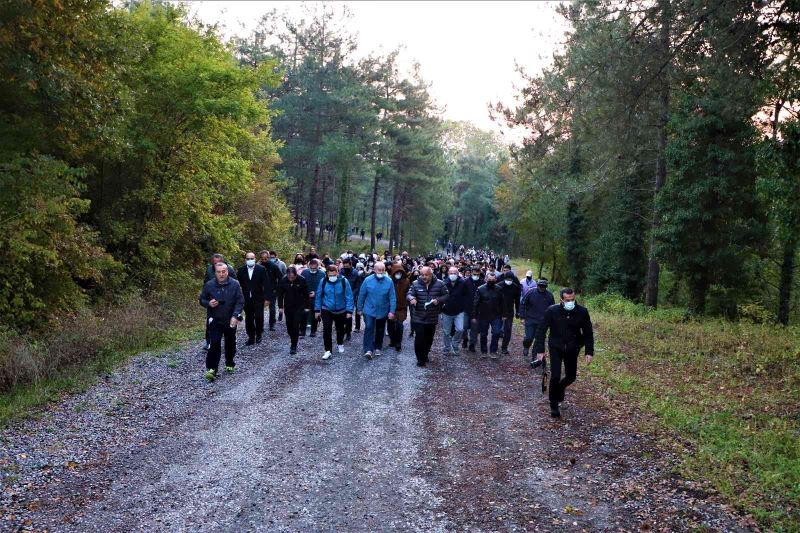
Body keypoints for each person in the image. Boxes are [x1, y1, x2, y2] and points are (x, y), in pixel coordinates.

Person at [534, 288, 594, 418]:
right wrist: (540, 350)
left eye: (572, 300)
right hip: (556, 346)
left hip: (573, 347)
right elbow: (541, 330)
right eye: (567, 300)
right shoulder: (552, 311)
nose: (570, 302)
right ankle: (553, 404)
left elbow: (588, 333)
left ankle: (560, 388)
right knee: (555, 375)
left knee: (571, 376)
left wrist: (589, 351)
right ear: (561, 300)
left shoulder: (582, 312)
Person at [199, 262, 244, 381]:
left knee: (230, 343)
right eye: (219, 272)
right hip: (215, 319)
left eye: (223, 271)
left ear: (227, 272)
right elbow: (202, 299)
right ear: (215, 273)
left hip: (230, 319)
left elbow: (240, 302)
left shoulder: (235, 284)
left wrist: (235, 316)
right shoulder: (209, 285)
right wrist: (208, 303)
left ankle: (229, 363)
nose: (221, 274)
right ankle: (211, 369)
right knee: (214, 344)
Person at [407, 267, 449, 367]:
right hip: (418, 316)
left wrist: (438, 300)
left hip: (432, 316)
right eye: (422, 275)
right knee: (419, 338)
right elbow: (409, 294)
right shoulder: (415, 283)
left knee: (429, 338)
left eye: (426, 275)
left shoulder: (440, 283)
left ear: (431, 274)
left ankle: (425, 354)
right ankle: (420, 359)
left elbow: (446, 295)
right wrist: (412, 298)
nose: (424, 277)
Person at [314, 263, 354, 360]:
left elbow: (349, 296)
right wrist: (317, 310)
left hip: (341, 310)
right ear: (327, 274)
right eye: (330, 275)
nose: (332, 277)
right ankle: (328, 350)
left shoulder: (344, 281)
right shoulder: (323, 281)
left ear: (337, 273)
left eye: (334, 275)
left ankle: (340, 343)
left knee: (340, 328)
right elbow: (319, 295)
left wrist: (349, 311)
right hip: (327, 309)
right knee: (327, 329)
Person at [357, 262, 396, 360]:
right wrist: (359, 308)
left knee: (380, 329)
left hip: (383, 310)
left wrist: (392, 311)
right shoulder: (367, 280)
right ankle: (368, 349)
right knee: (369, 327)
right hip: (369, 309)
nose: (381, 272)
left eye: (383, 270)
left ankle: (378, 346)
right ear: (374, 270)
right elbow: (362, 295)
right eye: (379, 270)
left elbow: (392, 297)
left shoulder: (389, 281)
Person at [203, 254, 237, 350]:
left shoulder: (229, 269)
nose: (216, 265)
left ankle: (229, 342)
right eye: (214, 263)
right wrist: (206, 296)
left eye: (218, 263)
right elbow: (205, 282)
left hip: (226, 299)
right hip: (213, 299)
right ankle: (209, 342)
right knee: (210, 321)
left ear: (223, 262)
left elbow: (235, 283)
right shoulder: (209, 269)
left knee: (227, 322)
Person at [520, 277, 554, 364]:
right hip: (530, 319)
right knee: (529, 337)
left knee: (538, 340)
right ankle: (526, 346)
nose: (541, 287)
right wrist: (522, 317)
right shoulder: (531, 292)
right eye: (540, 285)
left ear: (546, 286)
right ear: (537, 285)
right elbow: (523, 303)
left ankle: (535, 356)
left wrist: (551, 321)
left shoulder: (549, 295)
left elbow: (552, 309)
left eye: (543, 286)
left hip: (542, 322)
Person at [472, 271, 505, 359]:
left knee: (497, 333)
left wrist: (504, 314)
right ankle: (484, 351)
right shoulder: (480, 289)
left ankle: (493, 351)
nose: (491, 281)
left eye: (492, 280)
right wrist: (474, 316)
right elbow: (475, 303)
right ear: (486, 279)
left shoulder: (499, 289)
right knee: (483, 334)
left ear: (495, 280)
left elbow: (502, 303)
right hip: (483, 315)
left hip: (496, 315)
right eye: (489, 279)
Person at [237, 252, 268, 345]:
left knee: (259, 317)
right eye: (248, 258)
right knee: (249, 318)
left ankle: (259, 334)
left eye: (252, 258)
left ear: (255, 259)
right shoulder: (241, 270)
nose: (250, 260)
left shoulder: (261, 269)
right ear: (245, 260)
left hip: (258, 298)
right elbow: (238, 285)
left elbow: (266, 284)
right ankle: (251, 336)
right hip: (246, 299)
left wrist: (267, 298)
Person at [277, 267, 309, 354]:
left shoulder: (302, 280)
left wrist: (307, 306)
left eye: (293, 277)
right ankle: (293, 338)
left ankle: (293, 345)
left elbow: (306, 294)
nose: (291, 278)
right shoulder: (283, 280)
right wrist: (280, 306)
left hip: (299, 306)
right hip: (288, 306)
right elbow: (280, 294)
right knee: (289, 327)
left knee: (295, 326)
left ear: (296, 275)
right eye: (289, 277)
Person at [441, 267, 469, 356]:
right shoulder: (443, 283)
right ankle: (446, 348)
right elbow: (440, 295)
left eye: (455, 273)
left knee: (460, 329)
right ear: (448, 274)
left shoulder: (463, 283)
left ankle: (455, 344)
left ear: (457, 274)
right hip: (446, 311)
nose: (453, 275)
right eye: (451, 273)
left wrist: (463, 305)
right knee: (446, 332)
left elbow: (466, 295)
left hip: (459, 311)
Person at [387, 262, 410, 351]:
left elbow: (409, 292)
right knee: (391, 325)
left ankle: (398, 343)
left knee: (400, 325)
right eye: (396, 273)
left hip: (402, 307)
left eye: (400, 273)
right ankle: (392, 340)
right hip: (391, 307)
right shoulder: (389, 281)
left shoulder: (406, 281)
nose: (398, 274)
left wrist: (408, 300)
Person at [499, 264, 521, 355]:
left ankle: (504, 347)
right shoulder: (499, 286)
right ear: (504, 278)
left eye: (510, 280)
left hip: (509, 311)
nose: (509, 281)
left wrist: (518, 311)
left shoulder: (515, 287)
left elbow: (517, 300)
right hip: (498, 311)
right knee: (496, 330)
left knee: (508, 330)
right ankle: (494, 346)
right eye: (507, 279)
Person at [258, 250, 282, 331]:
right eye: (263, 258)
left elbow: (281, 278)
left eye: (266, 258)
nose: (264, 260)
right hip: (260, 291)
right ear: (260, 258)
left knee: (272, 309)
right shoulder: (258, 266)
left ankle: (272, 324)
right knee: (259, 309)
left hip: (272, 290)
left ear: (268, 257)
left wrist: (276, 289)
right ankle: (260, 325)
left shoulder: (274, 266)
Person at [301, 259, 324, 338]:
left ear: (318, 267)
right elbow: (301, 284)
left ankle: (313, 331)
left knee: (315, 314)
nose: (313, 270)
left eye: (314, 268)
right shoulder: (304, 272)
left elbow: (323, 287)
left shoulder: (322, 274)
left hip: (316, 298)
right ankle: (302, 330)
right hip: (305, 297)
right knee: (304, 314)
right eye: (311, 268)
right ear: (309, 266)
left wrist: (316, 293)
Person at [341, 258, 363, 340]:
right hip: (342, 296)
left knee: (349, 314)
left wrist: (352, 294)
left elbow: (358, 286)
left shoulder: (355, 273)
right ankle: (342, 330)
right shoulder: (341, 272)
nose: (345, 268)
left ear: (350, 265)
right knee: (342, 314)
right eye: (344, 266)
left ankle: (349, 332)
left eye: (347, 267)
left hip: (352, 296)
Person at [462, 266, 483, 352]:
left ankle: (472, 344)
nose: (476, 276)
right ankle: (465, 338)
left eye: (477, 274)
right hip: (466, 308)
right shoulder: (465, 282)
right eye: (474, 274)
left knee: (474, 329)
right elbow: (462, 294)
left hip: (477, 310)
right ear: (471, 273)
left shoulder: (482, 283)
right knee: (464, 326)